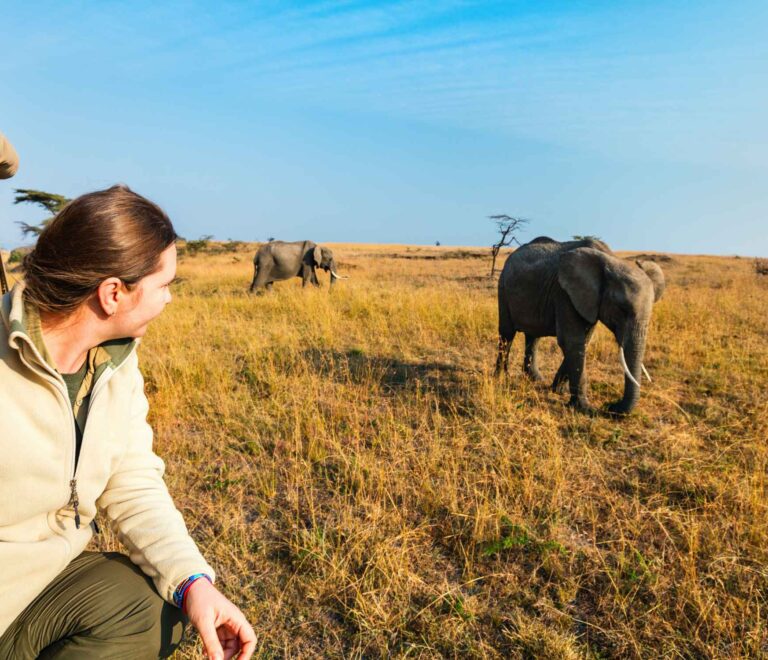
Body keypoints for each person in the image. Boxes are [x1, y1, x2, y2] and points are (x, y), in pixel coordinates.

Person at [0, 180, 256, 659]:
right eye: (164, 286)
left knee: (153, 609)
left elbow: (131, 479)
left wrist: (192, 582)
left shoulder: (114, 362)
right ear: (113, 293)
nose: (169, 300)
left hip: (45, 582)